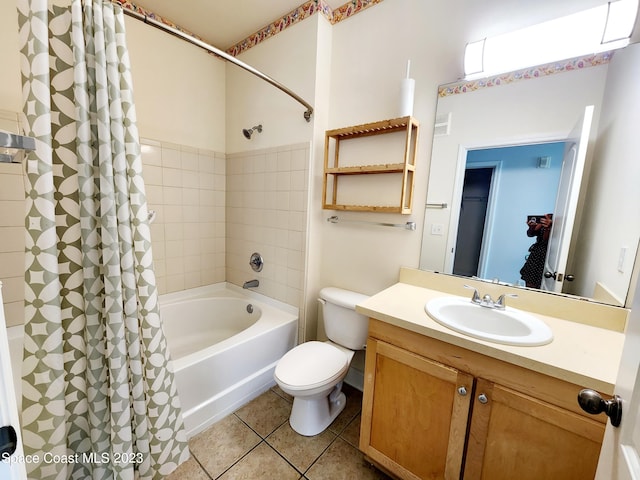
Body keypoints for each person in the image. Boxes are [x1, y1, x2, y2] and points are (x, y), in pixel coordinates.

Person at [519, 213, 553, 288]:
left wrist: (548, 227)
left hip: (548, 256)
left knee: (545, 286)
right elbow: (530, 234)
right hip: (536, 255)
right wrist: (531, 227)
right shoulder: (547, 218)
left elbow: (545, 240)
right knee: (530, 284)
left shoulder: (556, 222)